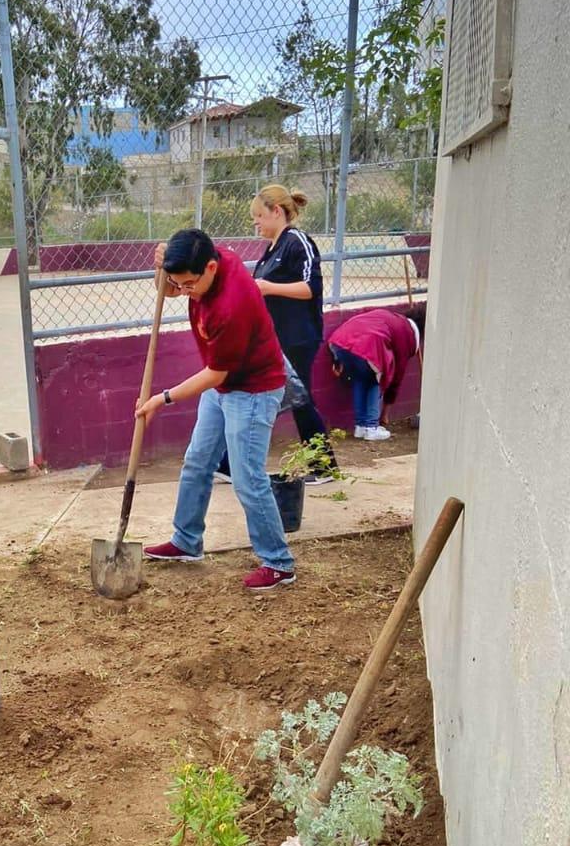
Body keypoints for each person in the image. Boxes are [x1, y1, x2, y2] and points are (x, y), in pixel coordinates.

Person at [138, 228, 295, 592]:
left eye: (189, 284)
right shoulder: (206, 260)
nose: (184, 291)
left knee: (247, 478)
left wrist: (162, 399)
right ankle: (186, 540)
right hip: (225, 383)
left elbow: (215, 372)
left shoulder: (231, 304)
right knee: (197, 461)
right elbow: (168, 289)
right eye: (181, 282)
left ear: (210, 268)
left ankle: (278, 562)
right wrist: (161, 270)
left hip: (253, 389)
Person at [249, 183, 337, 480]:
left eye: (259, 215)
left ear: (277, 211)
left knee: (300, 399)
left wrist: (268, 287)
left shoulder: (297, 241)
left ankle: (323, 467)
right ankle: (230, 462)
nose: (256, 223)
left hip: (299, 337)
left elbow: (310, 287)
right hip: (276, 338)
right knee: (282, 398)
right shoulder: (270, 249)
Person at [327, 304, 425, 440]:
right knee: (376, 380)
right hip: (366, 347)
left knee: (360, 379)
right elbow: (397, 375)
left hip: (338, 342)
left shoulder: (389, 317)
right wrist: (385, 411)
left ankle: (360, 427)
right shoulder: (407, 334)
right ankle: (371, 427)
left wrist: (336, 361)